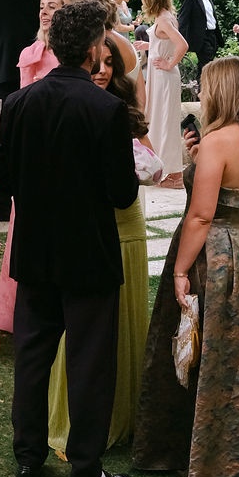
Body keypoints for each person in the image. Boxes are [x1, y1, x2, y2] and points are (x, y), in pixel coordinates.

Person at [0, 0, 138, 477]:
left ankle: (28, 459)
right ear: (94, 48)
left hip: (36, 249)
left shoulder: (19, 103)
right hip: (89, 254)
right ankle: (85, 471)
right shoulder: (106, 109)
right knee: (89, 364)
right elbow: (122, 192)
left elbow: (0, 179)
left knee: (32, 358)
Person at [132, 57, 239, 477]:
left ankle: (212, 459)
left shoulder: (218, 141)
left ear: (222, 92)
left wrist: (180, 269)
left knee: (210, 350)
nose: (201, 94)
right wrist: (196, 160)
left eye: (205, 87)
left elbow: (202, 215)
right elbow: (235, 195)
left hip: (215, 253)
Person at [46, 34, 151, 452]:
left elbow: (148, 159)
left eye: (110, 63)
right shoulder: (71, 104)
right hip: (88, 225)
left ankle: (125, 414)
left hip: (128, 223)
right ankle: (79, 419)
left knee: (128, 318)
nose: (103, 71)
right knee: (83, 330)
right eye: (97, 63)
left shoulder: (123, 108)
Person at [0, 0, 62, 331]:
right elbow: (21, 102)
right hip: (33, 145)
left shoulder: (69, 55)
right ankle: (16, 312)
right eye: (42, 7)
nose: (45, 12)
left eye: (52, 7)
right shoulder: (29, 52)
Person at [140, 0, 189, 190]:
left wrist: (169, 63)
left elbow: (182, 45)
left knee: (166, 122)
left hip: (164, 77)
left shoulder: (163, 20)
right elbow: (165, 43)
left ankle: (176, 175)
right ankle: (166, 169)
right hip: (161, 76)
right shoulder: (166, 16)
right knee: (161, 120)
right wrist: (148, 45)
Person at [177, 0, 220, 83]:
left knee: (205, 67)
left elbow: (211, 17)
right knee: (207, 66)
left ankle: (202, 89)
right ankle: (204, 89)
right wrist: (180, 41)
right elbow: (183, 19)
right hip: (201, 38)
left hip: (212, 36)